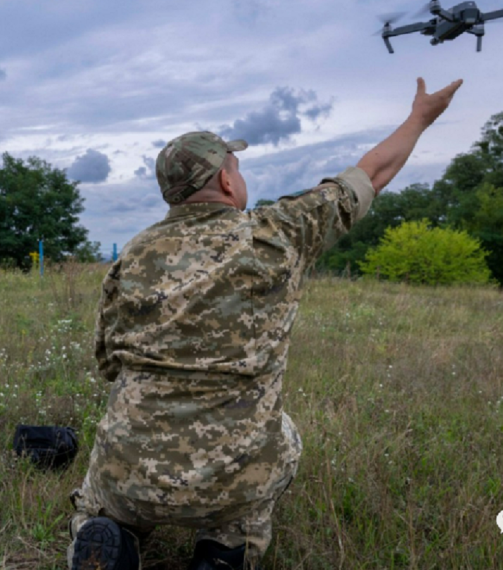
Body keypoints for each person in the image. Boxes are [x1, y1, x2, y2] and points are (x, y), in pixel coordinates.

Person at [67, 77, 464, 570]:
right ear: (229, 183)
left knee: (103, 498)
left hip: (129, 472)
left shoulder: (132, 255)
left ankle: (106, 533)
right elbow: (370, 175)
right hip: (230, 478)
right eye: (237, 166)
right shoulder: (276, 234)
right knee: (283, 438)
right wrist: (421, 117)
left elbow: (107, 363)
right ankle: (227, 550)